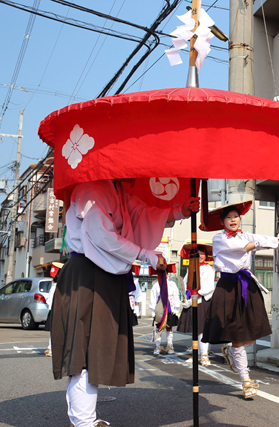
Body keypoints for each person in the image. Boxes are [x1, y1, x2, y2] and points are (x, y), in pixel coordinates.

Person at [50, 179, 199, 427]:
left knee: (96, 348)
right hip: (89, 273)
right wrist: (146, 255)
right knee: (85, 350)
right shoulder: (93, 188)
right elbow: (101, 235)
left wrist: (179, 212)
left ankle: (85, 418)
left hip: (104, 274)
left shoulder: (117, 189)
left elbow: (141, 213)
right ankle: (83, 421)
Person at [203, 202, 279, 399]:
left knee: (251, 332)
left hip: (247, 286)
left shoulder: (246, 235)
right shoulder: (219, 239)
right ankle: (246, 381)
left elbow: (264, 239)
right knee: (238, 336)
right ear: (222, 221)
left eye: (236, 216)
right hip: (228, 287)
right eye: (229, 217)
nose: (233, 220)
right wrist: (262, 243)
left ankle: (233, 354)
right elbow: (243, 248)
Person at [178, 244, 216, 366]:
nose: (199, 255)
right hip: (191, 300)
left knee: (201, 330)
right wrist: (185, 298)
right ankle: (197, 355)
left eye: (202, 253)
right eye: (197, 253)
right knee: (195, 330)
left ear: (206, 255)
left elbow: (208, 287)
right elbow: (184, 284)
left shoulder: (208, 269)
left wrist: (196, 296)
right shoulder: (191, 268)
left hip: (201, 301)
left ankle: (204, 355)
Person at [150, 274, 182, 355]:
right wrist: (153, 311)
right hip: (159, 309)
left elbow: (176, 296)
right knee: (158, 329)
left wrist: (176, 309)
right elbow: (153, 298)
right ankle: (157, 346)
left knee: (169, 328)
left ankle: (170, 346)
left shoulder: (172, 284)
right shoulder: (156, 285)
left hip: (169, 308)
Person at [45, 262, 62, 357]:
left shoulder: (57, 286)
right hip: (56, 311)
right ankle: (51, 349)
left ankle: (52, 348)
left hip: (57, 310)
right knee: (55, 331)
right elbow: (50, 301)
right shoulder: (55, 286)